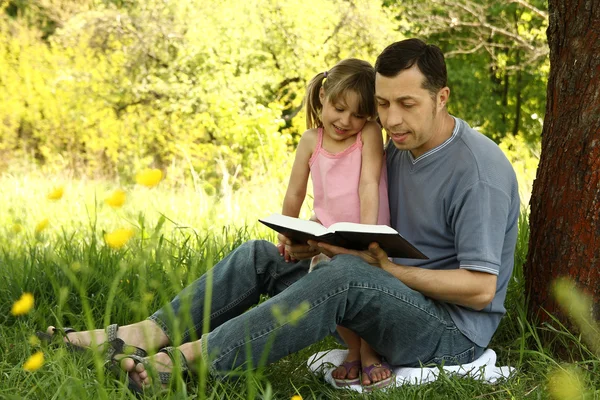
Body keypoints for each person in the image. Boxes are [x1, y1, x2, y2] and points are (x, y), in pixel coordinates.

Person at [40, 38, 520, 394]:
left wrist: (387, 270)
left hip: (447, 333)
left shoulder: (478, 171)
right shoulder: (394, 144)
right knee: (262, 257)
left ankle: (187, 363)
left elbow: (479, 290)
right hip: (379, 293)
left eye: (407, 105)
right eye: (383, 105)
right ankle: (141, 335)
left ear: (442, 98)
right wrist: (313, 242)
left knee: (348, 274)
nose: (391, 119)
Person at [280, 58, 391, 388]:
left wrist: (366, 234)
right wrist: (286, 233)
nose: (346, 121)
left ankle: (371, 353)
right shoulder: (310, 141)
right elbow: (295, 192)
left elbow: (368, 183)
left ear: (369, 115)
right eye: (339, 109)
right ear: (324, 96)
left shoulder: (368, 133)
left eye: (358, 114)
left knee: (368, 297)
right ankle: (353, 351)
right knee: (333, 294)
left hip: (366, 234)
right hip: (327, 235)